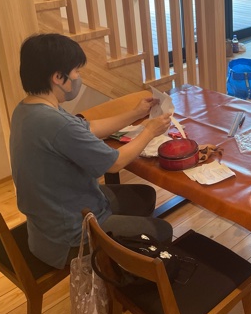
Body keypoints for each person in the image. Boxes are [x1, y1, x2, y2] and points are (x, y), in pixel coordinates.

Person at [10, 33, 173, 269]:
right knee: (163, 230)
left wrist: (136, 113)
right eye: (76, 71)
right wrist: (149, 131)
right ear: (58, 77)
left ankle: (123, 258)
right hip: (70, 237)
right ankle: (122, 271)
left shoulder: (28, 109)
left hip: (47, 226)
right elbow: (115, 163)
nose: (79, 77)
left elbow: (89, 127)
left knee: (144, 196)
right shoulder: (55, 123)